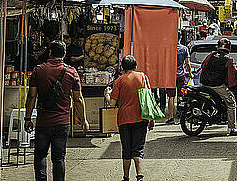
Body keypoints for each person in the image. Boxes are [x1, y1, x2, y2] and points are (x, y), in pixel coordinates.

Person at [24, 40, 89, 181]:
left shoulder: (38, 70)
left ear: (50, 53)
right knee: (59, 158)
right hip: (62, 123)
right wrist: (83, 120)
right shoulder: (71, 72)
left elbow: (32, 96)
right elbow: (78, 99)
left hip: (43, 122)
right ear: (64, 54)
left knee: (40, 155)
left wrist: (27, 119)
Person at [105, 55, 154, 181]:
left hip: (124, 119)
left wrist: (107, 95)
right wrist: (151, 119)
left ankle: (126, 177)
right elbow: (149, 99)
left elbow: (112, 104)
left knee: (126, 149)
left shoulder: (119, 81)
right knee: (138, 149)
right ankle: (139, 177)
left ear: (122, 68)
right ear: (136, 66)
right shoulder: (143, 77)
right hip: (141, 118)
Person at [200, 38, 237, 136]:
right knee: (231, 102)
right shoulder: (227, 59)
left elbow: (203, 66)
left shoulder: (210, 55)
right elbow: (232, 72)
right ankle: (233, 128)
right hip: (217, 85)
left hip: (205, 84)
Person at [166, 35, 192, 124]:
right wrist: (190, 73)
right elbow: (187, 63)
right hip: (181, 75)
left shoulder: (168, 49)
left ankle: (171, 117)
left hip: (170, 75)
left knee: (171, 96)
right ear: (180, 37)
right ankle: (181, 115)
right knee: (180, 95)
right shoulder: (184, 49)